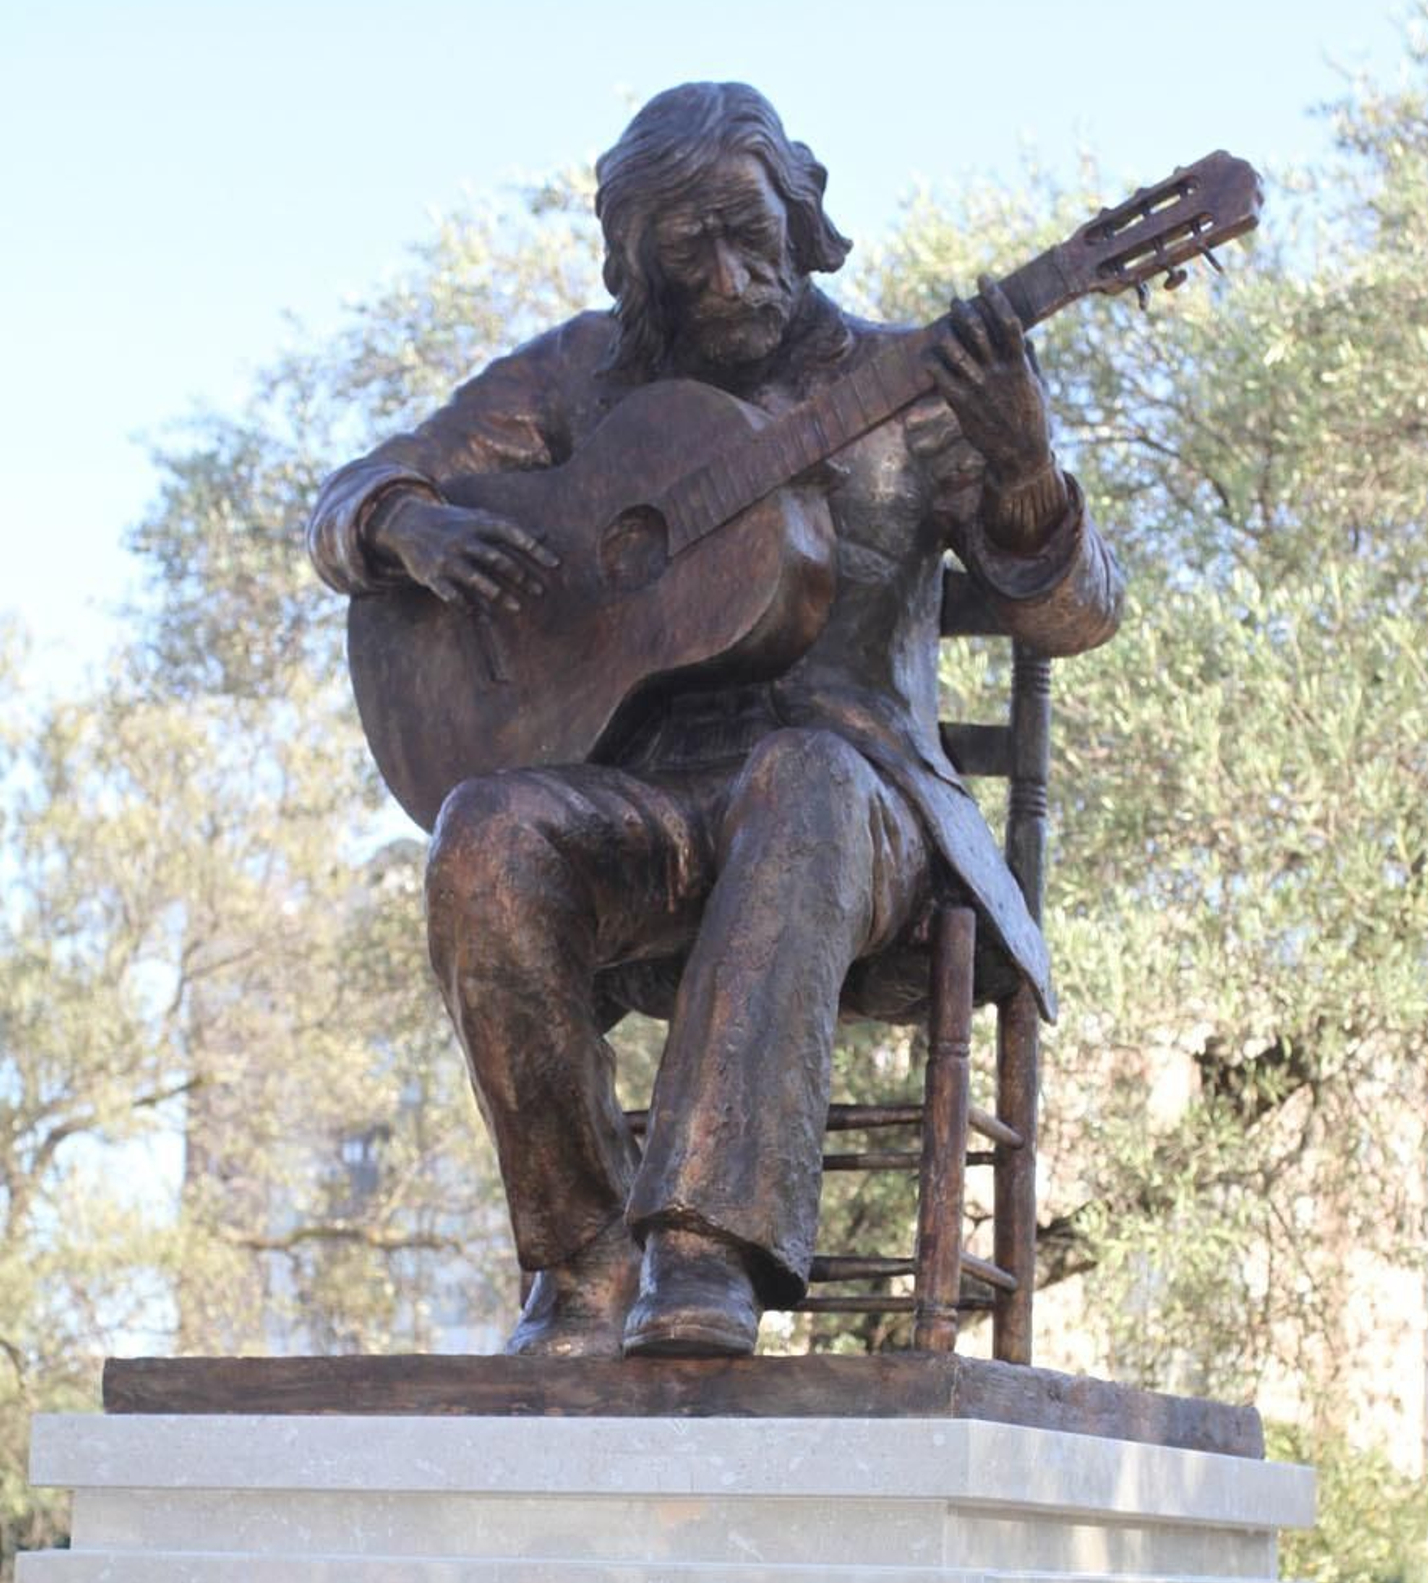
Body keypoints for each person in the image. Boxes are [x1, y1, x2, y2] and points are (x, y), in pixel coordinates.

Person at [310, 81, 1122, 1357]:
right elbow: (361, 484)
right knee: (487, 831)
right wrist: (407, 524)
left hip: (864, 809)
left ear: (803, 217)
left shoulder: (917, 384)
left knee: (798, 778)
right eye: (690, 254)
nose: (736, 278)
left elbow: (1075, 616)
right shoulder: (585, 377)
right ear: (640, 265)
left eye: (753, 234)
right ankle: (580, 1267)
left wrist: (1024, 467)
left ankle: (703, 1253)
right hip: (650, 812)